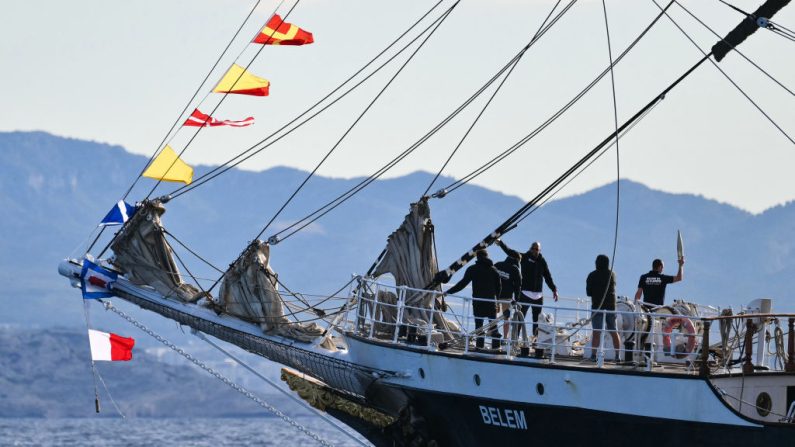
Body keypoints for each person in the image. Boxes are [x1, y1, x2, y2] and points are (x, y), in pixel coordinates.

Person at [496, 239, 558, 337]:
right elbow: (510, 251)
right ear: (530, 249)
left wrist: (554, 289)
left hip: (538, 296)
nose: (534, 251)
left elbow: (548, 276)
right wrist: (500, 243)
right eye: (533, 248)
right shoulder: (524, 257)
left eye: (537, 249)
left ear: (539, 250)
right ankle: (515, 339)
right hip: (525, 294)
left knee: (537, 320)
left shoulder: (542, 261)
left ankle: (535, 340)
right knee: (520, 318)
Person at [444, 249, 502, 349]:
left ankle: (479, 347)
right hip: (491, 302)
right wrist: (497, 302)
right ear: (487, 256)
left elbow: (461, 284)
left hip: (478, 302)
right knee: (493, 326)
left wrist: (448, 292)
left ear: (477, 257)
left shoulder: (473, 269)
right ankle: (496, 348)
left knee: (479, 326)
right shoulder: (494, 270)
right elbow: (499, 287)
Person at [586, 254, 621, 361]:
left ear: (597, 263)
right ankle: (617, 356)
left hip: (597, 307)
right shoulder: (612, 274)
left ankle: (593, 355)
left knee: (597, 331)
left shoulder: (592, 275)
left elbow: (589, 293)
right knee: (614, 331)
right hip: (611, 307)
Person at [494, 250, 522, 341]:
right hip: (507, 297)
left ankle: (494, 336)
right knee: (507, 318)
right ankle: (505, 338)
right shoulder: (515, 269)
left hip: (495, 297)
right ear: (517, 260)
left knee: (493, 317)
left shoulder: (497, 265)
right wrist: (516, 300)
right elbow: (518, 286)